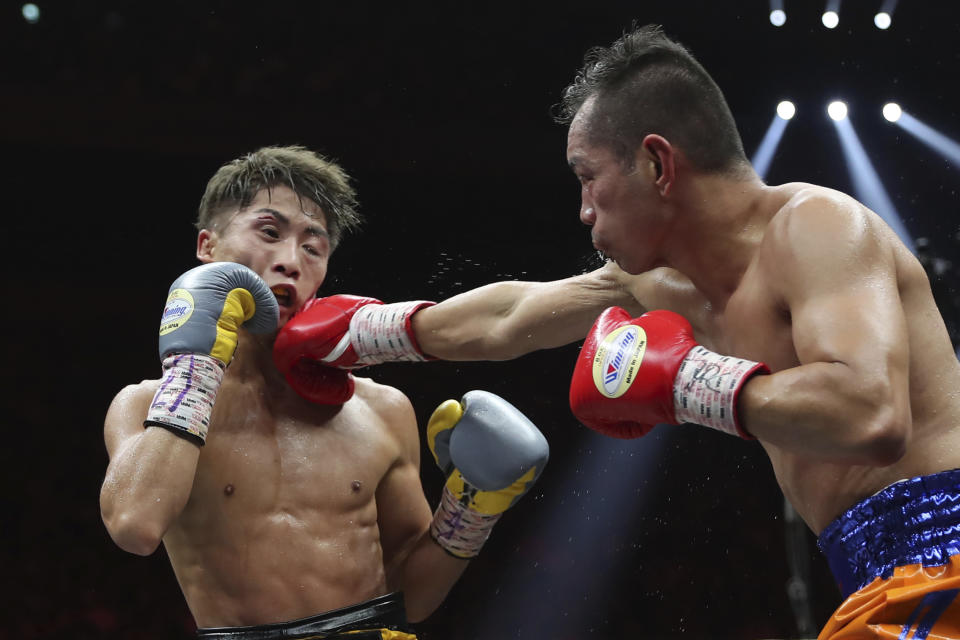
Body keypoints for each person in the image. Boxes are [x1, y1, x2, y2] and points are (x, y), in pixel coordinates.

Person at [274, 26, 960, 639]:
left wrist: (688, 382)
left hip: (946, 557)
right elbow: (509, 318)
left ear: (658, 164)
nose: (581, 210)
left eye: (587, 177)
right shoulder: (660, 280)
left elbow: (872, 416)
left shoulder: (817, 229)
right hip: (875, 576)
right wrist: (362, 331)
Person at [99, 145, 549, 639]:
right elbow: (134, 525)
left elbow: (412, 599)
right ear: (208, 245)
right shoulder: (145, 404)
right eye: (269, 233)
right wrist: (191, 372)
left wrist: (469, 513)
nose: (290, 260)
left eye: (313, 247)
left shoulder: (381, 409)